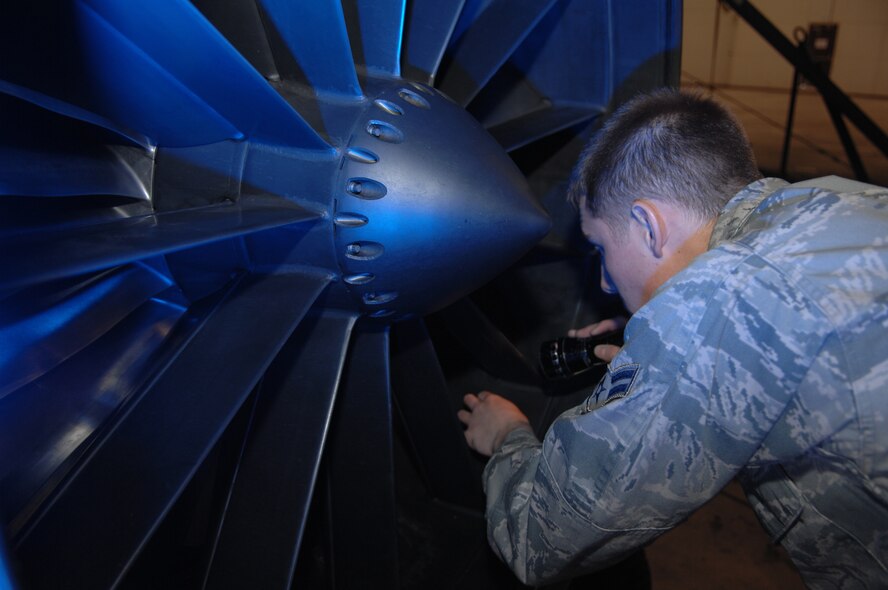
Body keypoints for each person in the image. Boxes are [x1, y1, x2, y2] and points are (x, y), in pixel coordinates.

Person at [457, 89, 888, 588]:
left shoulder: (719, 299)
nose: (603, 284)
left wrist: (508, 436)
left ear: (649, 226)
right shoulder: (845, 198)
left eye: (600, 249)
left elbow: (540, 539)